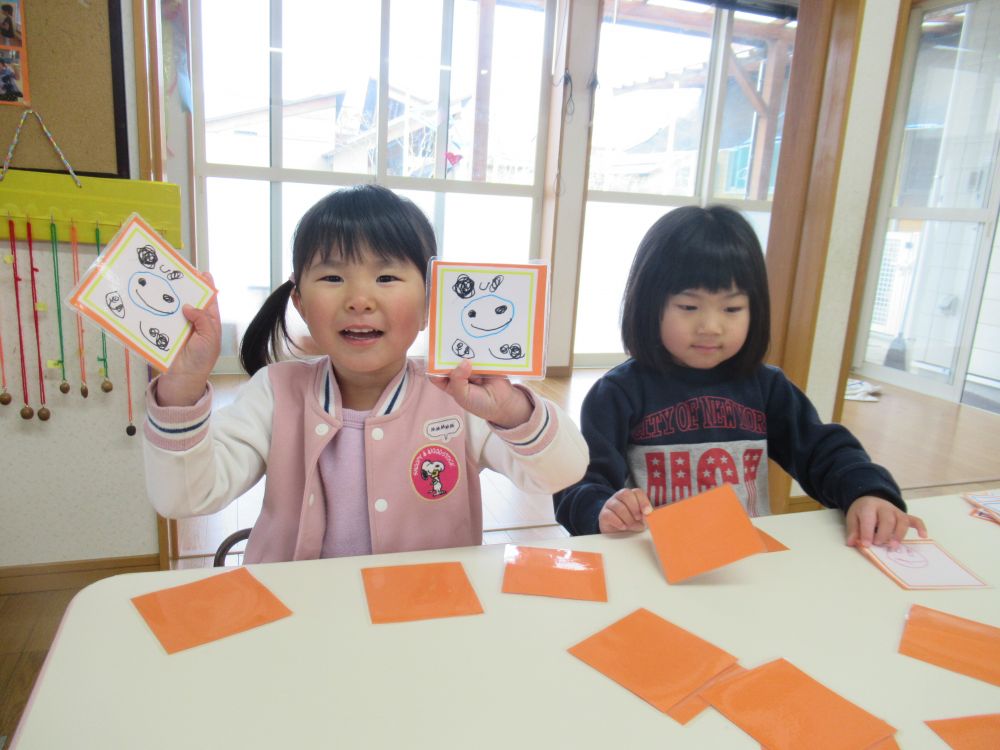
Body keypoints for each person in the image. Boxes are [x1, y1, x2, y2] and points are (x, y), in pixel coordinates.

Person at [144, 185, 588, 563]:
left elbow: (563, 472)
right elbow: (184, 497)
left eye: (388, 277)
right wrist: (181, 388)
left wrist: (512, 411)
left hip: (425, 618)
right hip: (298, 623)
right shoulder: (275, 394)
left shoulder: (460, 400)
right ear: (299, 302)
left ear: (431, 303)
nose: (359, 299)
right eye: (333, 277)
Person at [553, 205, 926, 549]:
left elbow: (822, 451)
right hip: (655, 562)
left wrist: (868, 492)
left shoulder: (766, 388)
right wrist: (602, 509)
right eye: (688, 306)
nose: (711, 326)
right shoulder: (618, 393)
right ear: (649, 305)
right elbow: (577, 483)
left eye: (732, 308)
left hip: (744, 562)